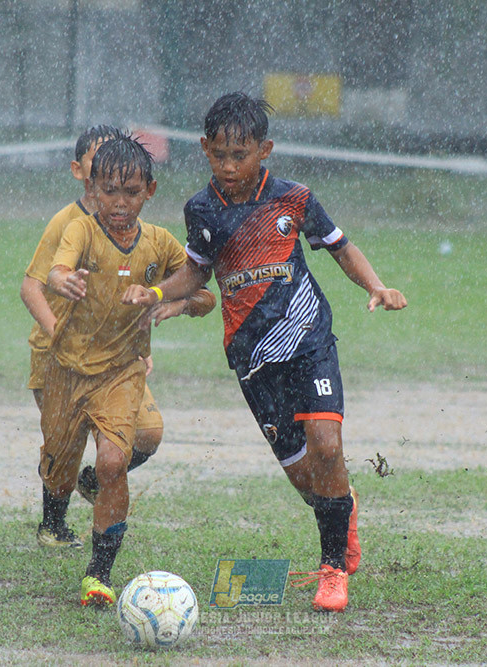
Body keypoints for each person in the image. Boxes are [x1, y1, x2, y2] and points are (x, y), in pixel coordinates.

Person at [122, 92, 407, 613]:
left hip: (308, 339)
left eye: (241, 155)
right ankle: (342, 508)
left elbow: (340, 246)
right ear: (204, 149)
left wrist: (376, 286)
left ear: (264, 150)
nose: (229, 166)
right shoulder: (202, 209)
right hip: (251, 358)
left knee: (327, 447)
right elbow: (197, 270)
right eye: (219, 155)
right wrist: (160, 293)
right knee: (305, 476)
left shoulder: (293, 199)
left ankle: (332, 570)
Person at [20, 126, 214, 550]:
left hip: (119, 364)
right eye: (107, 178)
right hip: (59, 357)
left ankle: (99, 493)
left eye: (129, 184)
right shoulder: (71, 226)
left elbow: (200, 289)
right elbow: (34, 284)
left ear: (146, 187)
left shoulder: (154, 240)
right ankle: (54, 521)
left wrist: (170, 303)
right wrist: (61, 331)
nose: (119, 194)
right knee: (61, 456)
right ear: (86, 175)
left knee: (142, 437)